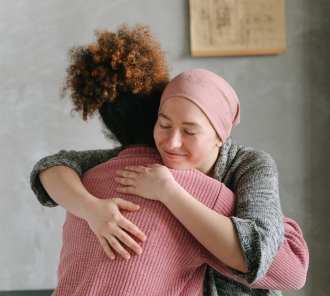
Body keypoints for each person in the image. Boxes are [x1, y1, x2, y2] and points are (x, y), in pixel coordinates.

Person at [30, 24, 308, 296]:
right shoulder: (140, 165)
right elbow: (55, 164)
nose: (172, 142)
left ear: (220, 136)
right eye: (164, 125)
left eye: (189, 131)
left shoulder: (249, 166)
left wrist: (170, 192)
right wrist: (92, 209)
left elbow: (274, 259)